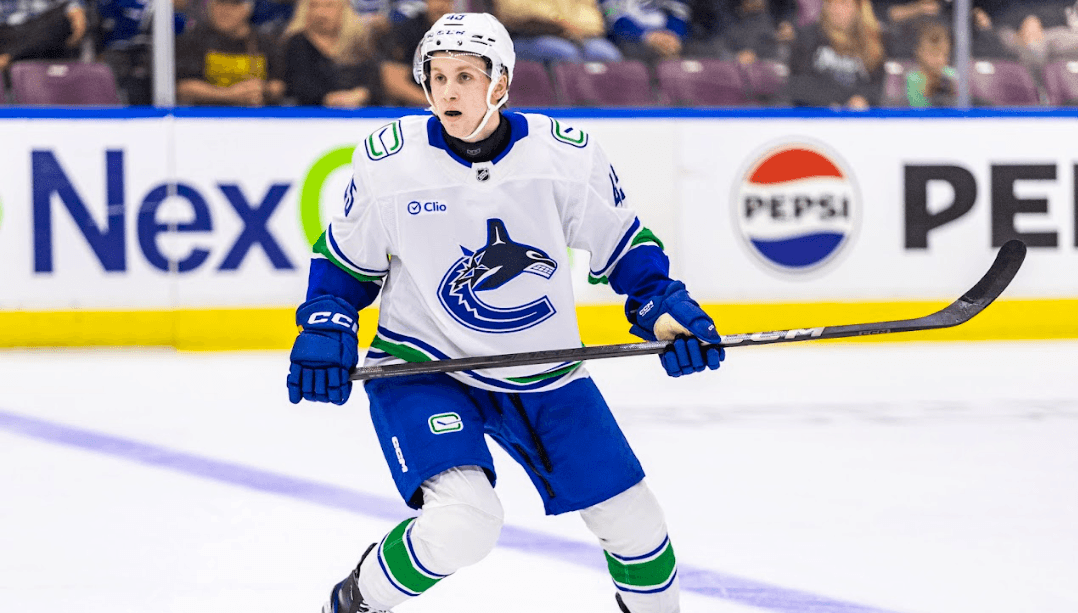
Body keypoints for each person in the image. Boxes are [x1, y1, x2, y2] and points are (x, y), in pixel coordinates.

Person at [286, 11, 725, 613]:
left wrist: (663, 310)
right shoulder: (390, 161)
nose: (447, 91)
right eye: (437, 76)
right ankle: (356, 600)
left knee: (639, 529)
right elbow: (344, 267)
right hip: (424, 367)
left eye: (466, 76)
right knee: (465, 523)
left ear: (501, 83)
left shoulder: (563, 154)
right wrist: (325, 326)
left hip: (545, 371)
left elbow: (626, 249)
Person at [175, 0, 286, 105]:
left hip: (255, 119)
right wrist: (229, 95)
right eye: (220, 3)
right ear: (210, 6)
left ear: (248, 9)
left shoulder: (266, 42)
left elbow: (279, 84)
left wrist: (264, 90)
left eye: (234, 4)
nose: (226, 10)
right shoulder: (193, 40)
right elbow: (183, 88)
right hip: (206, 118)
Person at [281, 0, 382, 107]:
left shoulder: (359, 40)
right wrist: (329, 99)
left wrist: (362, 94)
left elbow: (374, 79)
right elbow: (299, 85)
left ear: (343, 9)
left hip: (360, 113)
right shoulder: (296, 42)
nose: (320, 12)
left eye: (329, 6)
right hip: (311, 115)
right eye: (314, 6)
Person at [786, 0, 885, 108]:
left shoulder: (872, 43)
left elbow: (876, 86)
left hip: (858, 117)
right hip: (815, 115)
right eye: (831, 4)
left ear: (858, 9)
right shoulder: (807, 37)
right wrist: (830, 101)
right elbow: (797, 84)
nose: (836, 10)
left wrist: (863, 98)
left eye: (843, 4)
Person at [493, 0, 623, 63]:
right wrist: (559, 23)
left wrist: (573, 27)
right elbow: (515, 13)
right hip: (526, 36)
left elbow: (594, 20)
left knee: (607, 53)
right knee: (564, 53)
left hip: (577, 37)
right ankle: (569, 107)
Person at [0, 0, 87, 72]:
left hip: (42, 26)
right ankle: (12, 56)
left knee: (61, 21)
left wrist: (76, 11)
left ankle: (11, 56)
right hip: (7, 29)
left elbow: (72, 6)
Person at [599, 0, 691, 60]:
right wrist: (647, 36)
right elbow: (612, 16)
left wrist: (672, 35)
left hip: (668, 36)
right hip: (628, 39)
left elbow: (679, 13)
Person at [906, 20, 955, 106]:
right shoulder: (913, 79)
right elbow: (919, 110)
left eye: (945, 55)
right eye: (934, 54)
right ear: (919, 52)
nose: (940, 60)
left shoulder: (952, 75)